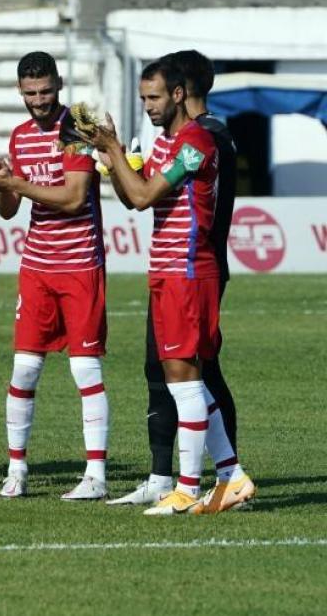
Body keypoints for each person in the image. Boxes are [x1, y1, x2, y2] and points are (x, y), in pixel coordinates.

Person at [86, 59, 251, 516]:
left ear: (179, 94)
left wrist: (115, 152)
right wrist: (111, 156)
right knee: (185, 379)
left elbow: (141, 195)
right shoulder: (168, 144)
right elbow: (133, 197)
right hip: (166, 272)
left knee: (184, 379)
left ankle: (187, 487)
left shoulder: (196, 142)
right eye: (143, 99)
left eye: (154, 97)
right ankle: (231, 476)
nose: (148, 106)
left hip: (188, 272)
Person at [0, 52, 110, 500]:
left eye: (46, 91)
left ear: (59, 83)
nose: (38, 101)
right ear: (19, 91)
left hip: (80, 265)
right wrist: (3, 181)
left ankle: (96, 475)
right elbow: (11, 210)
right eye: (30, 94)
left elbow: (72, 199)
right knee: (24, 369)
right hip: (37, 268)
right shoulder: (21, 135)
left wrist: (16, 186)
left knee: (85, 370)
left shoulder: (80, 125)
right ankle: (17, 469)